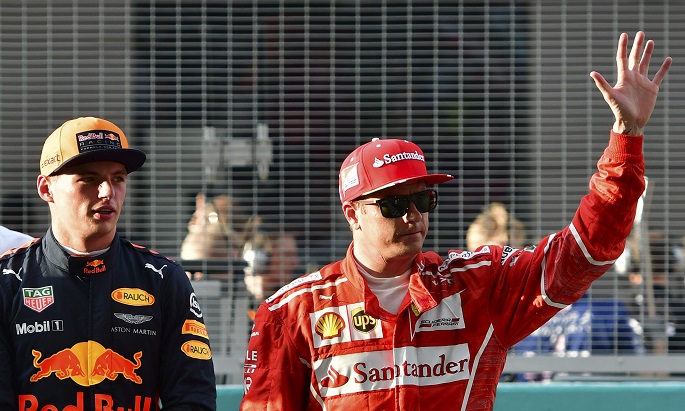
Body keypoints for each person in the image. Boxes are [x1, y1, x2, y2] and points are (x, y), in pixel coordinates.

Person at [240, 31, 671, 410]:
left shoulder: (477, 286)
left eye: (423, 199)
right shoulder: (291, 313)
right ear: (353, 214)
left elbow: (584, 252)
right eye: (393, 204)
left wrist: (627, 136)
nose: (412, 214)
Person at [0, 117, 216, 410]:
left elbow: (193, 398)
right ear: (46, 189)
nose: (107, 192)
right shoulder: (8, 280)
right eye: (89, 179)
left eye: (118, 179)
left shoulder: (163, 278)